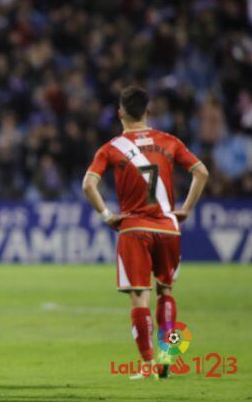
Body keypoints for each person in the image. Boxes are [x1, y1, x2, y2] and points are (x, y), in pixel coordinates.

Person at [82, 86, 209, 379]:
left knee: (140, 296)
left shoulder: (112, 147)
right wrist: (186, 209)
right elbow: (201, 171)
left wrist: (106, 215)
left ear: (120, 113)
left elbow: (89, 184)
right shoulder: (169, 141)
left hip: (134, 228)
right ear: (148, 112)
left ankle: (150, 363)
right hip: (168, 228)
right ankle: (169, 355)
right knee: (166, 290)